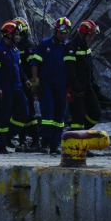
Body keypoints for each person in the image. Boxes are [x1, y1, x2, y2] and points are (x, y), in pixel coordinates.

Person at [28, 17, 72, 155]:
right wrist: (35, 82)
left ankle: (55, 144)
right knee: (47, 113)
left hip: (61, 86)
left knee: (59, 116)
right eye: (60, 32)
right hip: (46, 85)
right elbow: (35, 63)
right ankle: (45, 142)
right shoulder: (44, 45)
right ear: (55, 31)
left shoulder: (68, 47)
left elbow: (72, 68)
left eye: (65, 33)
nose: (62, 35)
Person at [0, 20, 29, 154]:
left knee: (24, 113)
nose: (18, 36)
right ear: (8, 35)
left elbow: (19, 68)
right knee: (2, 116)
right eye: (16, 34)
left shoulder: (15, 50)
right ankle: (1, 145)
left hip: (17, 87)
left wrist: (26, 80)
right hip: (4, 89)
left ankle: (8, 137)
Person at [65, 19, 103, 131]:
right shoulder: (71, 48)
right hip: (76, 89)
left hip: (88, 87)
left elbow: (89, 69)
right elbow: (70, 71)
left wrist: (93, 84)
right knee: (78, 120)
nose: (92, 39)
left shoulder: (86, 47)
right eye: (90, 36)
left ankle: (79, 133)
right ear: (82, 34)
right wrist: (76, 88)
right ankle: (76, 144)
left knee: (96, 113)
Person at [13, 17, 40, 152]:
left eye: (17, 33)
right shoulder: (16, 47)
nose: (15, 36)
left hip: (26, 84)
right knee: (21, 113)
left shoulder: (28, 46)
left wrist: (33, 82)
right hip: (18, 84)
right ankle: (22, 141)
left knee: (29, 113)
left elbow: (32, 66)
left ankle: (35, 140)